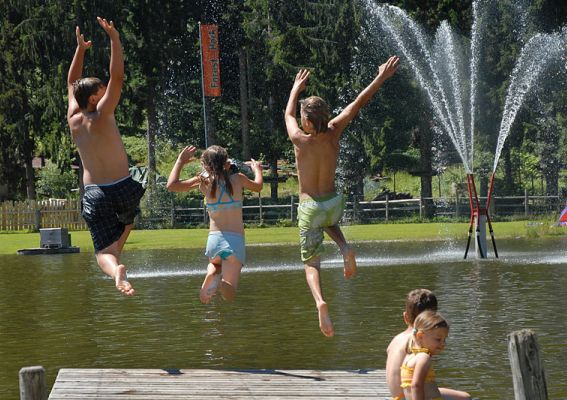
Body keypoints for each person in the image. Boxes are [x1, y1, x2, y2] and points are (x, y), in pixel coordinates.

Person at [284, 56, 400, 337]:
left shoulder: (300, 139)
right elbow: (358, 102)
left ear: (307, 122)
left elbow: (287, 115)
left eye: (303, 116)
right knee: (327, 221)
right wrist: (380, 77)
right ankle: (344, 247)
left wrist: (294, 90)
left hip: (310, 205)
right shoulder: (335, 130)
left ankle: (320, 302)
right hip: (334, 203)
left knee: (311, 263)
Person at [67, 18, 144, 296]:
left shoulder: (74, 118)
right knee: (128, 220)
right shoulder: (102, 114)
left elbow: (71, 82)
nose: (106, 95)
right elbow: (118, 78)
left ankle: (115, 269)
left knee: (102, 252)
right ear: (92, 99)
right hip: (123, 187)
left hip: (94, 192)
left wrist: (81, 50)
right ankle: (117, 263)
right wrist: (114, 38)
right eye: (101, 93)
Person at [166, 145, 263, 303]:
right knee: (230, 293)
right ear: (226, 163)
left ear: (205, 165)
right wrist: (257, 169)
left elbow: (172, 185)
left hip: (214, 241)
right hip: (234, 241)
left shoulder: (203, 181)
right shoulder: (238, 178)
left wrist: (180, 161)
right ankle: (224, 284)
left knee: (217, 265)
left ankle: (213, 272)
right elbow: (258, 186)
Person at [400, 310, 471, 400]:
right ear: (420, 336)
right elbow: (416, 385)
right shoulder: (424, 357)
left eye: (444, 339)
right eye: (438, 339)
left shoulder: (409, 356)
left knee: (465, 396)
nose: (443, 344)